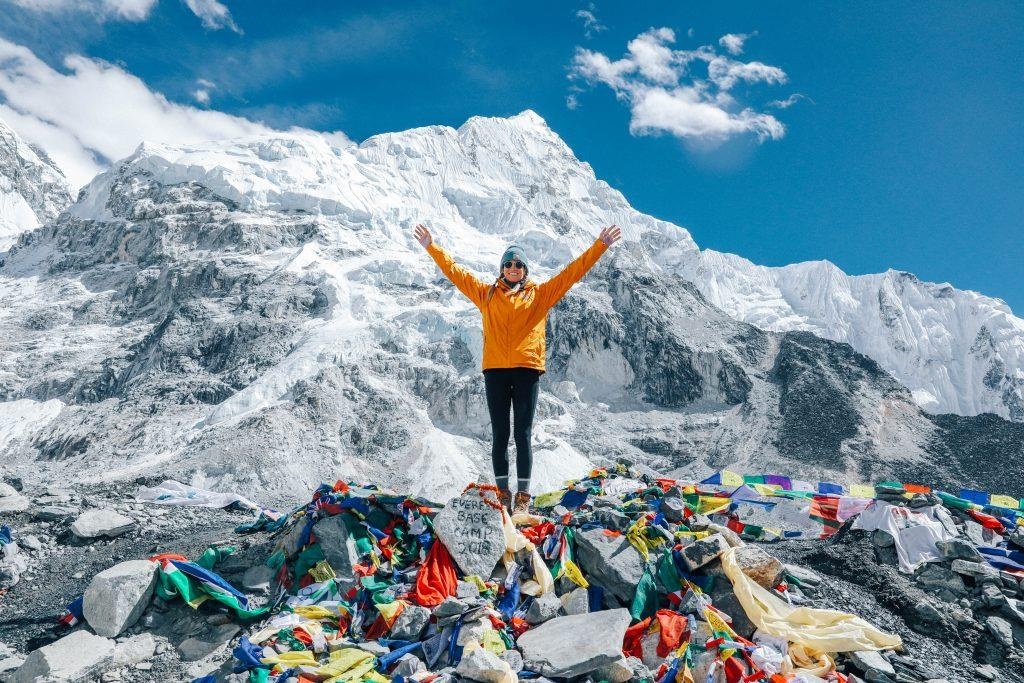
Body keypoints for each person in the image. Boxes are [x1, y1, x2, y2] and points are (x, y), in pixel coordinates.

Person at [414, 223, 622, 515]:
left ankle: (523, 497)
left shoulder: (541, 295)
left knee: (522, 435)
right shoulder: (486, 294)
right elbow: (455, 273)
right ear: (502, 269)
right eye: (508, 264)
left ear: (525, 269)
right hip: (496, 371)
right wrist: (431, 247)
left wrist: (600, 245)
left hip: (527, 370)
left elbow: (572, 273)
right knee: (500, 434)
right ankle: (502, 494)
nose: (513, 268)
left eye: (518, 264)